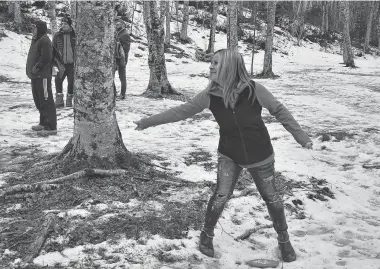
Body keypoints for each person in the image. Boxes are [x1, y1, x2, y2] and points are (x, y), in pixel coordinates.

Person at [134, 49, 313, 262]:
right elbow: (181, 112)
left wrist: (301, 138)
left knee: (271, 197)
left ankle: (284, 240)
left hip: (261, 153)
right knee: (220, 194)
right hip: (229, 153)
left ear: (229, 67)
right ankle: (206, 235)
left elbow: (279, 110)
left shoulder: (254, 90)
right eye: (211, 62)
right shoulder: (210, 96)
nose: (211, 66)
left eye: (216, 63)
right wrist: (147, 122)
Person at [26, 20, 57, 135]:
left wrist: (37, 67)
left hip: (42, 75)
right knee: (39, 100)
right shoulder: (36, 39)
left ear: (40, 28)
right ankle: (43, 123)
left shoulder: (44, 40)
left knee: (46, 100)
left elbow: (46, 57)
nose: (32, 30)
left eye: (34, 28)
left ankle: (51, 127)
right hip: (35, 76)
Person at [52, 16, 76, 108]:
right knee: (58, 80)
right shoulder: (57, 35)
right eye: (62, 24)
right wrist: (54, 62)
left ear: (70, 25)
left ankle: (69, 100)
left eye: (65, 24)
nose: (63, 25)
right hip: (60, 64)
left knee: (71, 82)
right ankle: (59, 100)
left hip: (71, 64)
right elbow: (53, 49)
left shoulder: (74, 35)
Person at [114, 17, 131, 100]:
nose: (117, 25)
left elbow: (126, 48)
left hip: (121, 59)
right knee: (110, 76)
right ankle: (114, 92)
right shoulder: (116, 33)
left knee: (122, 77)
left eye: (118, 24)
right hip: (115, 58)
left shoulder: (125, 34)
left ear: (123, 25)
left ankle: (122, 94)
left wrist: (118, 47)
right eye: (116, 24)